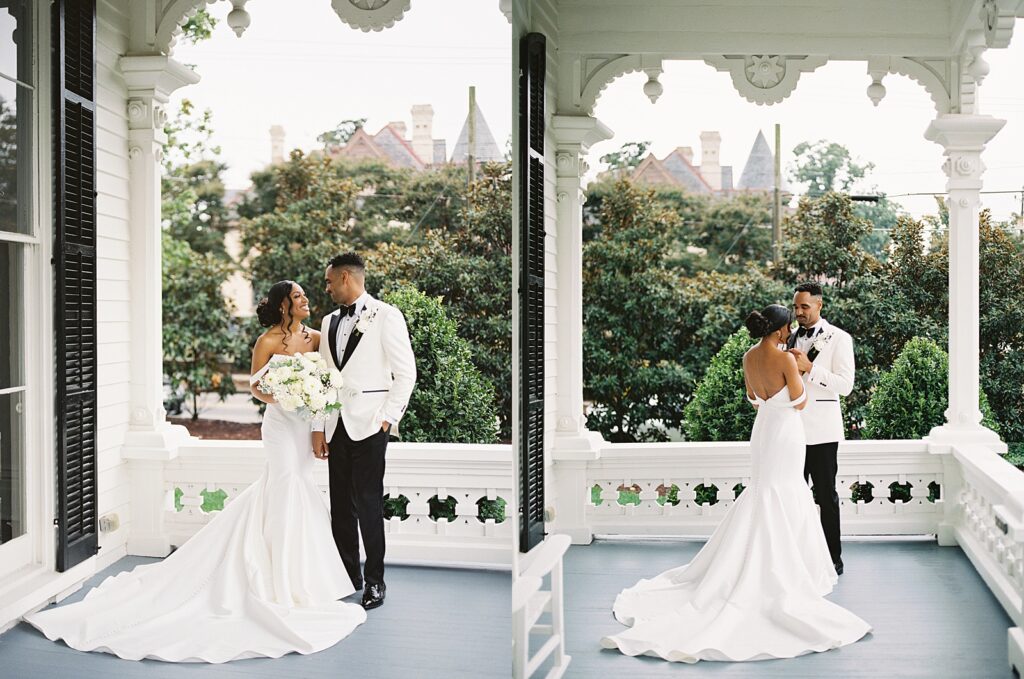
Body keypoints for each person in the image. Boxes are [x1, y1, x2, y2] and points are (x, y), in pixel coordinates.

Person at [24, 281, 366, 662]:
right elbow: (256, 386)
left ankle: (306, 577)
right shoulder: (266, 341)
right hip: (280, 426)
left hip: (304, 426)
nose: (306, 300)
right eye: (298, 296)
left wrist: (314, 415)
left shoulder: (316, 337)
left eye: (304, 295)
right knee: (286, 483)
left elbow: (326, 382)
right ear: (284, 305)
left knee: (297, 485)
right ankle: (280, 580)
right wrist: (285, 394)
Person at [600, 304, 870, 663]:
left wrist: (774, 399)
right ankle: (788, 568)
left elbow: (753, 400)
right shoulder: (786, 359)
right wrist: (797, 374)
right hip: (787, 432)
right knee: (787, 492)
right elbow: (801, 402)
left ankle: (756, 561)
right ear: (780, 330)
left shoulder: (747, 357)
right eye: (788, 326)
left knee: (764, 491)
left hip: (764, 431)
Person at [312, 252, 416, 611]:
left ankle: (375, 581)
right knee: (340, 507)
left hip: (371, 424)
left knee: (370, 505)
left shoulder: (386, 315)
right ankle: (347, 576)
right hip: (336, 424)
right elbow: (324, 379)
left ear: (345, 277)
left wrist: (387, 418)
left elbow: (406, 373)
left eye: (329, 282)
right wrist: (318, 426)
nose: (326, 288)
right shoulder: (328, 321)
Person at [788, 281, 855, 575]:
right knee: (792, 496)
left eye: (804, 306)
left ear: (819, 305)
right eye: (796, 307)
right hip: (790, 431)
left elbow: (846, 385)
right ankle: (797, 557)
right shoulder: (788, 338)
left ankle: (832, 558)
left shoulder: (839, 338)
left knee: (826, 496)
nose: (799, 312)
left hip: (823, 432)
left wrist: (810, 368)